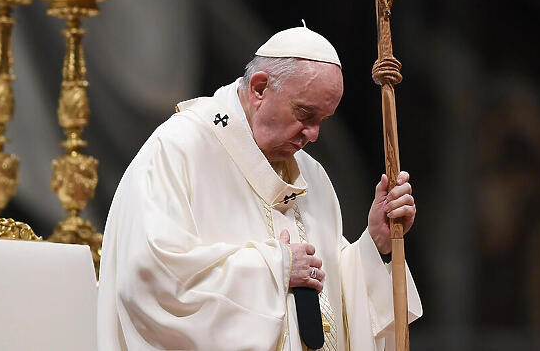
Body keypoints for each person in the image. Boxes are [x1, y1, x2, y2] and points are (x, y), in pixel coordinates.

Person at [97, 26, 422, 350]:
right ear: (259, 88)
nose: (313, 135)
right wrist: (273, 269)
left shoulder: (312, 174)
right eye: (305, 114)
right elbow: (149, 279)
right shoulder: (179, 150)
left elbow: (334, 298)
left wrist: (375, 243)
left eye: (322, 120)